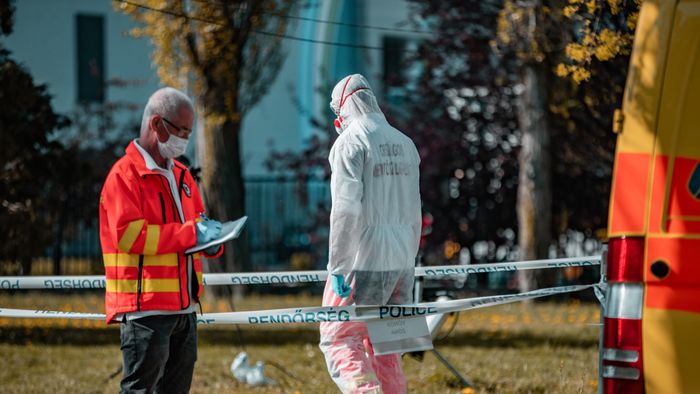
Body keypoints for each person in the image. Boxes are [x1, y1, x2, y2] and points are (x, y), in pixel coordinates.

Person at [99, 87, 224, 393]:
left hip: (184, 309)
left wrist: (213, 241)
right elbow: (130, 236)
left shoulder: (182, 175)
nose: (185, 138)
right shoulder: (123, 176)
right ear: (155, 124)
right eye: (180, 129)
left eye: (189, 131)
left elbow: (196, 226)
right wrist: (192, 233)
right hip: (145, 311)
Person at [319, 74, 422, 394]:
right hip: (401, 259)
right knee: (386, 345)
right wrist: (409, 261)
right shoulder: (406, 144)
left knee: (339, 337)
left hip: (361, 259)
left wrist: (337, 264)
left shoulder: (349, 143)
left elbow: (346, 212)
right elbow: (414, 212)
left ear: (341, 111)